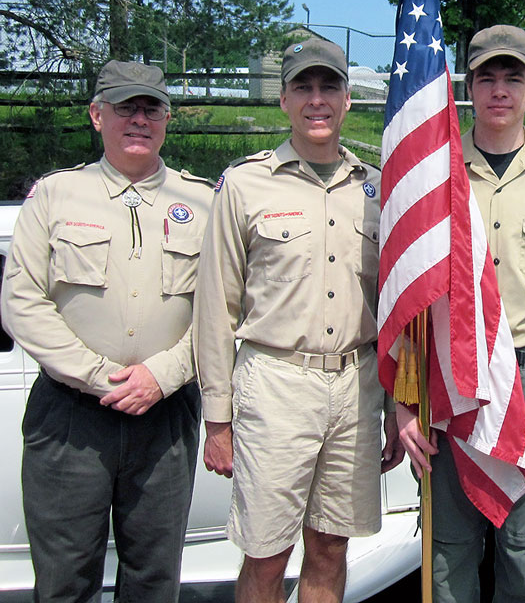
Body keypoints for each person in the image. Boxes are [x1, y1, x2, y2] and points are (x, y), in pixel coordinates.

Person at [194, 38, 403, 603]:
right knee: (266, 555)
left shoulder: (378, 189)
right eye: (304, 88)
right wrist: (217, 419)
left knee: (331, 548)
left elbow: (394, 309)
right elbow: (216, 308)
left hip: (357, 385)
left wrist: (393, 403)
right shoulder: (244, 185)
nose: (317, 100)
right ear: (283, 100)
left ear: (347, 99)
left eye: (329, 87)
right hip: (276, 384)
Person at [395, 24, 525, 603]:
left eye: (514, 77)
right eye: (487, 77)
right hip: (451, 378)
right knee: (450, 545)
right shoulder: (434, 176)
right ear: (467, 87)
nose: (500, 90)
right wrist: (405, 401)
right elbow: (410, 300)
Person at [1, 60, 213, 602]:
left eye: (152, 108)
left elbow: (225, 311)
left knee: (153, 580)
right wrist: (102, 378)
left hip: (165, 417)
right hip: (70, 417)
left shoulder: (207, 203)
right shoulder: (54, 196)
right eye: (125, 108)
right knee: (66, 580)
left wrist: (162, 376)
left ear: (168, 119)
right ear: (97, 116)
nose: (139, 119)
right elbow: (22, 302)